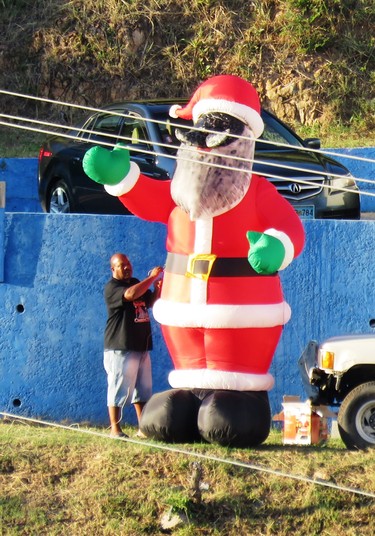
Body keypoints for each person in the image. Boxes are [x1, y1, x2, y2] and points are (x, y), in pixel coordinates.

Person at [103, 252, 163, 438]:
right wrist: (151, 277)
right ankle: (115, 429)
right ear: (113, 269)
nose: (127, 268)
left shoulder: (135, 282)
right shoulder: (112, 287)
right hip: (121, 346)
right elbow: (130, 295)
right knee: (119, 386)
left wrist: (157, 288)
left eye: (128, 264)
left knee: (143, 390)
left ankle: (143, 428)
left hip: (141, 345)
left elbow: (149, 302)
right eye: (122, 265)